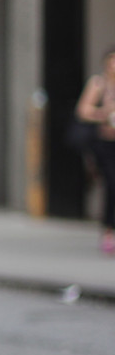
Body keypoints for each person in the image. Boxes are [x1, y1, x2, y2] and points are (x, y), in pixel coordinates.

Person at [76, 47, 115, 255]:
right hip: (105, 143)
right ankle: (108, 230)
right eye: (112, 61)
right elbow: (83, 110)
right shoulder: (98, 84)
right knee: (112, 183)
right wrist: (104, 114)